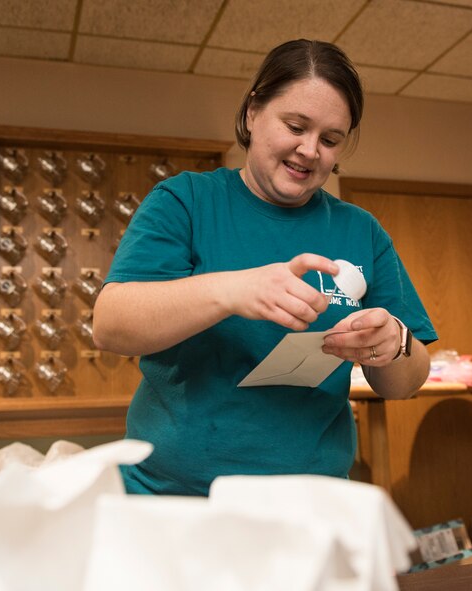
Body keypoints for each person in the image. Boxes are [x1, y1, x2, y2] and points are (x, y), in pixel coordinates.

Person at [93, 39, 437, 496]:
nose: (310, 150)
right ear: (253, 112)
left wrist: (395, 342)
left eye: (330, 140)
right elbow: (110, 325)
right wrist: (231, 291)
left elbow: (405, 385)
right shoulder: (186, 201)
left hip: (310, 502)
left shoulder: (361, 231)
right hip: (176, 500)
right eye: (295, 126)